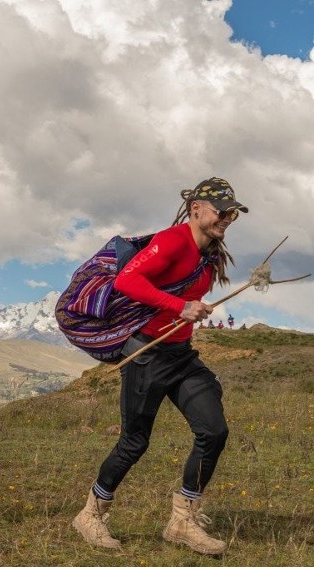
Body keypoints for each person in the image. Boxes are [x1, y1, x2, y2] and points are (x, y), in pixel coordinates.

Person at [72, 177, 247, 555]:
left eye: (232, 213)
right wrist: (180, 307)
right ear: (196, 208)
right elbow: (127, 280)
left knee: (214, 431)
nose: (228, 218)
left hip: (181, 356)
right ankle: (91, 515)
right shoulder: (171, 241)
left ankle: (182, 521)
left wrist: (188, 312)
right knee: (135, 442)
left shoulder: (210, 253)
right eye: (222, 211)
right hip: (147, 355)